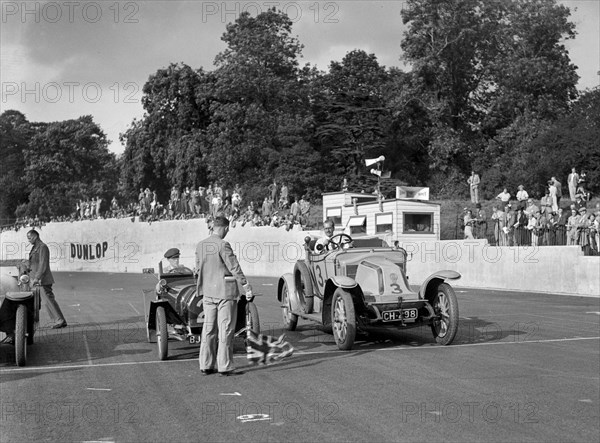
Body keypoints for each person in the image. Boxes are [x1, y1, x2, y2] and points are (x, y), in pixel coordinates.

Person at [195, 216, 252, 376]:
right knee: (226, 329)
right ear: (226, 228)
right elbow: (234, 266)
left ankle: (206, 364)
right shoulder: (223, 244)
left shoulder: (200, 245)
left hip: (207, 293)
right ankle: (225, 366)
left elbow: (198, 270)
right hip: (224, 293)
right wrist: (246, 285)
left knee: (208, 329)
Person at [27, 229, 67, 329]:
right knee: (38, 302)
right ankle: (59, 320)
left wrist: (37, 278)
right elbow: (35, 263)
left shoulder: (42, 247)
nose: (28, 240)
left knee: (48, 300)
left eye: (30, 237)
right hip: (37, 280)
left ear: (35, 236)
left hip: (42, 280)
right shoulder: (35, 248)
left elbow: (43, 264)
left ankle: (59, 320)